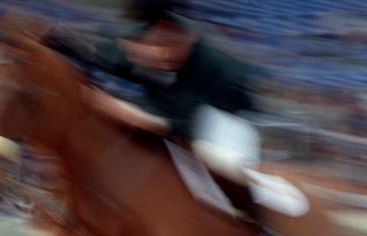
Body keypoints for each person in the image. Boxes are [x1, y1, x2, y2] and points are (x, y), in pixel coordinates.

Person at [47, 0, 261, 214]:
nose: (163, 54)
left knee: (217, 159)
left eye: (170, 44)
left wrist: (128, 114)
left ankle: (267, 234)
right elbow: (96, 65)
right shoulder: (124, 46)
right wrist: (65, 52)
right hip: (166, 111)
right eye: (153, 45)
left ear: (190, 37)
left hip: (224, 130)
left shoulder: (215, 70)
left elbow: (183, 127)